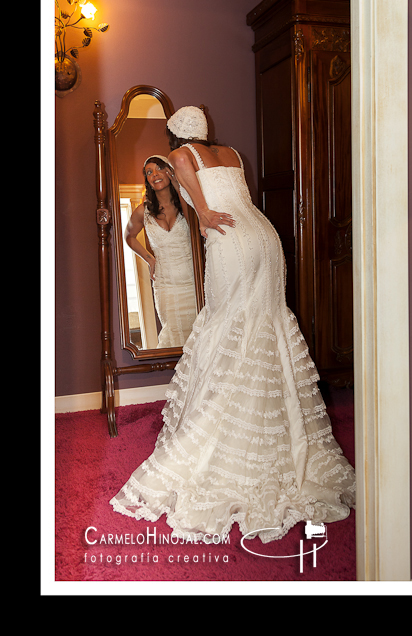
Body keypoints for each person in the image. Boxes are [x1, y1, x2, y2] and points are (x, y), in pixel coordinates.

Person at [111, 107, 355, 543]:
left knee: (228, 326)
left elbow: (203, 211)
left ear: (176, 136)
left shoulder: (182, 155)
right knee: (267, 324)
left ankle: (229, 430)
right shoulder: (233, 154)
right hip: (265, 235)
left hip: (231, 240)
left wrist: (203, 214)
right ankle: (282, 432)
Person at [124, 155, 197, 348]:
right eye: (149, 172)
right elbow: (129, 236)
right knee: (173, 336)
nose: (154, 174)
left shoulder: (187, 204)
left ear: (170, 171)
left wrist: (178, 185)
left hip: (193, 282)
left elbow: (197, 229)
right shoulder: (143, 211)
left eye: (159, 168)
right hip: (165, 285)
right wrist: (150, 259)